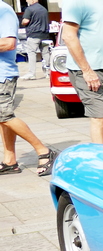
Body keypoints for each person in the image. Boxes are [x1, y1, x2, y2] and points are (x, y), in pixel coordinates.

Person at [0, 1, 56, 176]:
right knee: (3, 117)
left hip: (3, 74)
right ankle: (10, 161)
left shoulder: (3, 10)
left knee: (4, 115)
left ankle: (44, 151)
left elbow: (9, 43)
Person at [61, 0, 103, 145]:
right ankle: (99, 160)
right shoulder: (76, 2)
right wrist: (87, 71)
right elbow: (68, 36)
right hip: (88, 69)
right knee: (99, 116)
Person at [20, 0, 50, 80]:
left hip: (34, 34)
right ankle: (48, 73)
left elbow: (25, 21)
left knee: (31, 53)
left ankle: (31, 73)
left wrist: (22, 22)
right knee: (46, 53)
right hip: (45, 34)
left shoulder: (29, 9)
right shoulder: (44, 9)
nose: (26, 0)